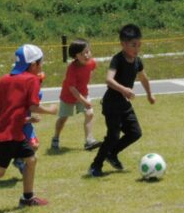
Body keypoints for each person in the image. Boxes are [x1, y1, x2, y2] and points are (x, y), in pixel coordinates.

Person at [88, 24, 156, 177]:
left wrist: (149, 95)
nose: (137, 48)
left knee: (135, 133)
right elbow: (109, 80)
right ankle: (95, 165)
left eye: (139, 45)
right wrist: (124, 90)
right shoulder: (117, 59)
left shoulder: (137, 61)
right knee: (113, 136)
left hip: (124, 104)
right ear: (123, 44)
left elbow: (144, 78)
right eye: (133, 45)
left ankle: (111, 154)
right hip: (111, 103)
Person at [0, 44, 58, 206]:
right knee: (0, 172)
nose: (41, 66)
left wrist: (26, 120)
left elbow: (8, 111)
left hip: (15, 132)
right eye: (40, 63)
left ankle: (27, 198)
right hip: (8, 135)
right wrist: (51, 110)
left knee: (31, 159)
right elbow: (33, 106)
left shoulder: (3, 80)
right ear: (33, 64)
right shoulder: (31, 80)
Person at [51, 39, 101, 151]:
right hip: (68, 96)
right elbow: (72, 88)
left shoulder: (92, 63)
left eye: (88, 51)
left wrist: (85, 90)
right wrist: (84, 101)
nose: (86, 55)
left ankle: (89, 141)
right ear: (75, 56)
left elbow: (90, 71)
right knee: (63, 118)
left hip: (83, 93)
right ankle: (55, 138)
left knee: (89, 113)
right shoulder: (72, 69)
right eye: (82, 53)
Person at [13, 72, 45, 174]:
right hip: (12, 126)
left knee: (34, 145)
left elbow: (32, 107)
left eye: (40, 82)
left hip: (26, 126)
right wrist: (30, 119)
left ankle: (19, 160)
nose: (38, 85)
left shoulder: (38, 94)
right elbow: (14, 117)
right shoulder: (15, 95)